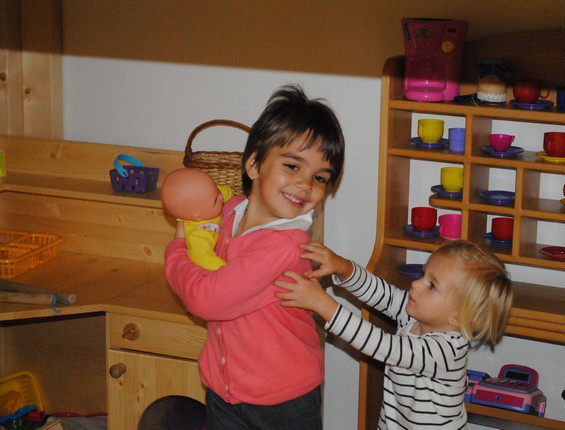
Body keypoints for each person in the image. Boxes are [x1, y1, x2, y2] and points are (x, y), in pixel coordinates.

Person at [164, 84, 345, 430]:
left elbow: (206, 299)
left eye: (319, 177)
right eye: (292, 166)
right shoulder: (231, 211)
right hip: (225, 392)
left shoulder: (283, 244)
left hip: (281, 403)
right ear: (254, 164)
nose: (305, 184)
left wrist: (176, 253)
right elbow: (206, 243)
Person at [275, 239, 513, 430]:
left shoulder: (446, 351)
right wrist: (343, 267)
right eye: (423, 274)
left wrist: (322, 303)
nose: (416, 284)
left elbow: (382, 346)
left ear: (458, 317)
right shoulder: (415, 317)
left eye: (432, 285)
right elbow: (382, 294)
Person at [161, 167, 234, 270]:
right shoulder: (199, 235)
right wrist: (227, 268)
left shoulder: (209, 196)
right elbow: (204, 258)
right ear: (197, 217)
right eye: (215, 201)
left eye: (216, 190)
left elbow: (226, 191)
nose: (221, 197)